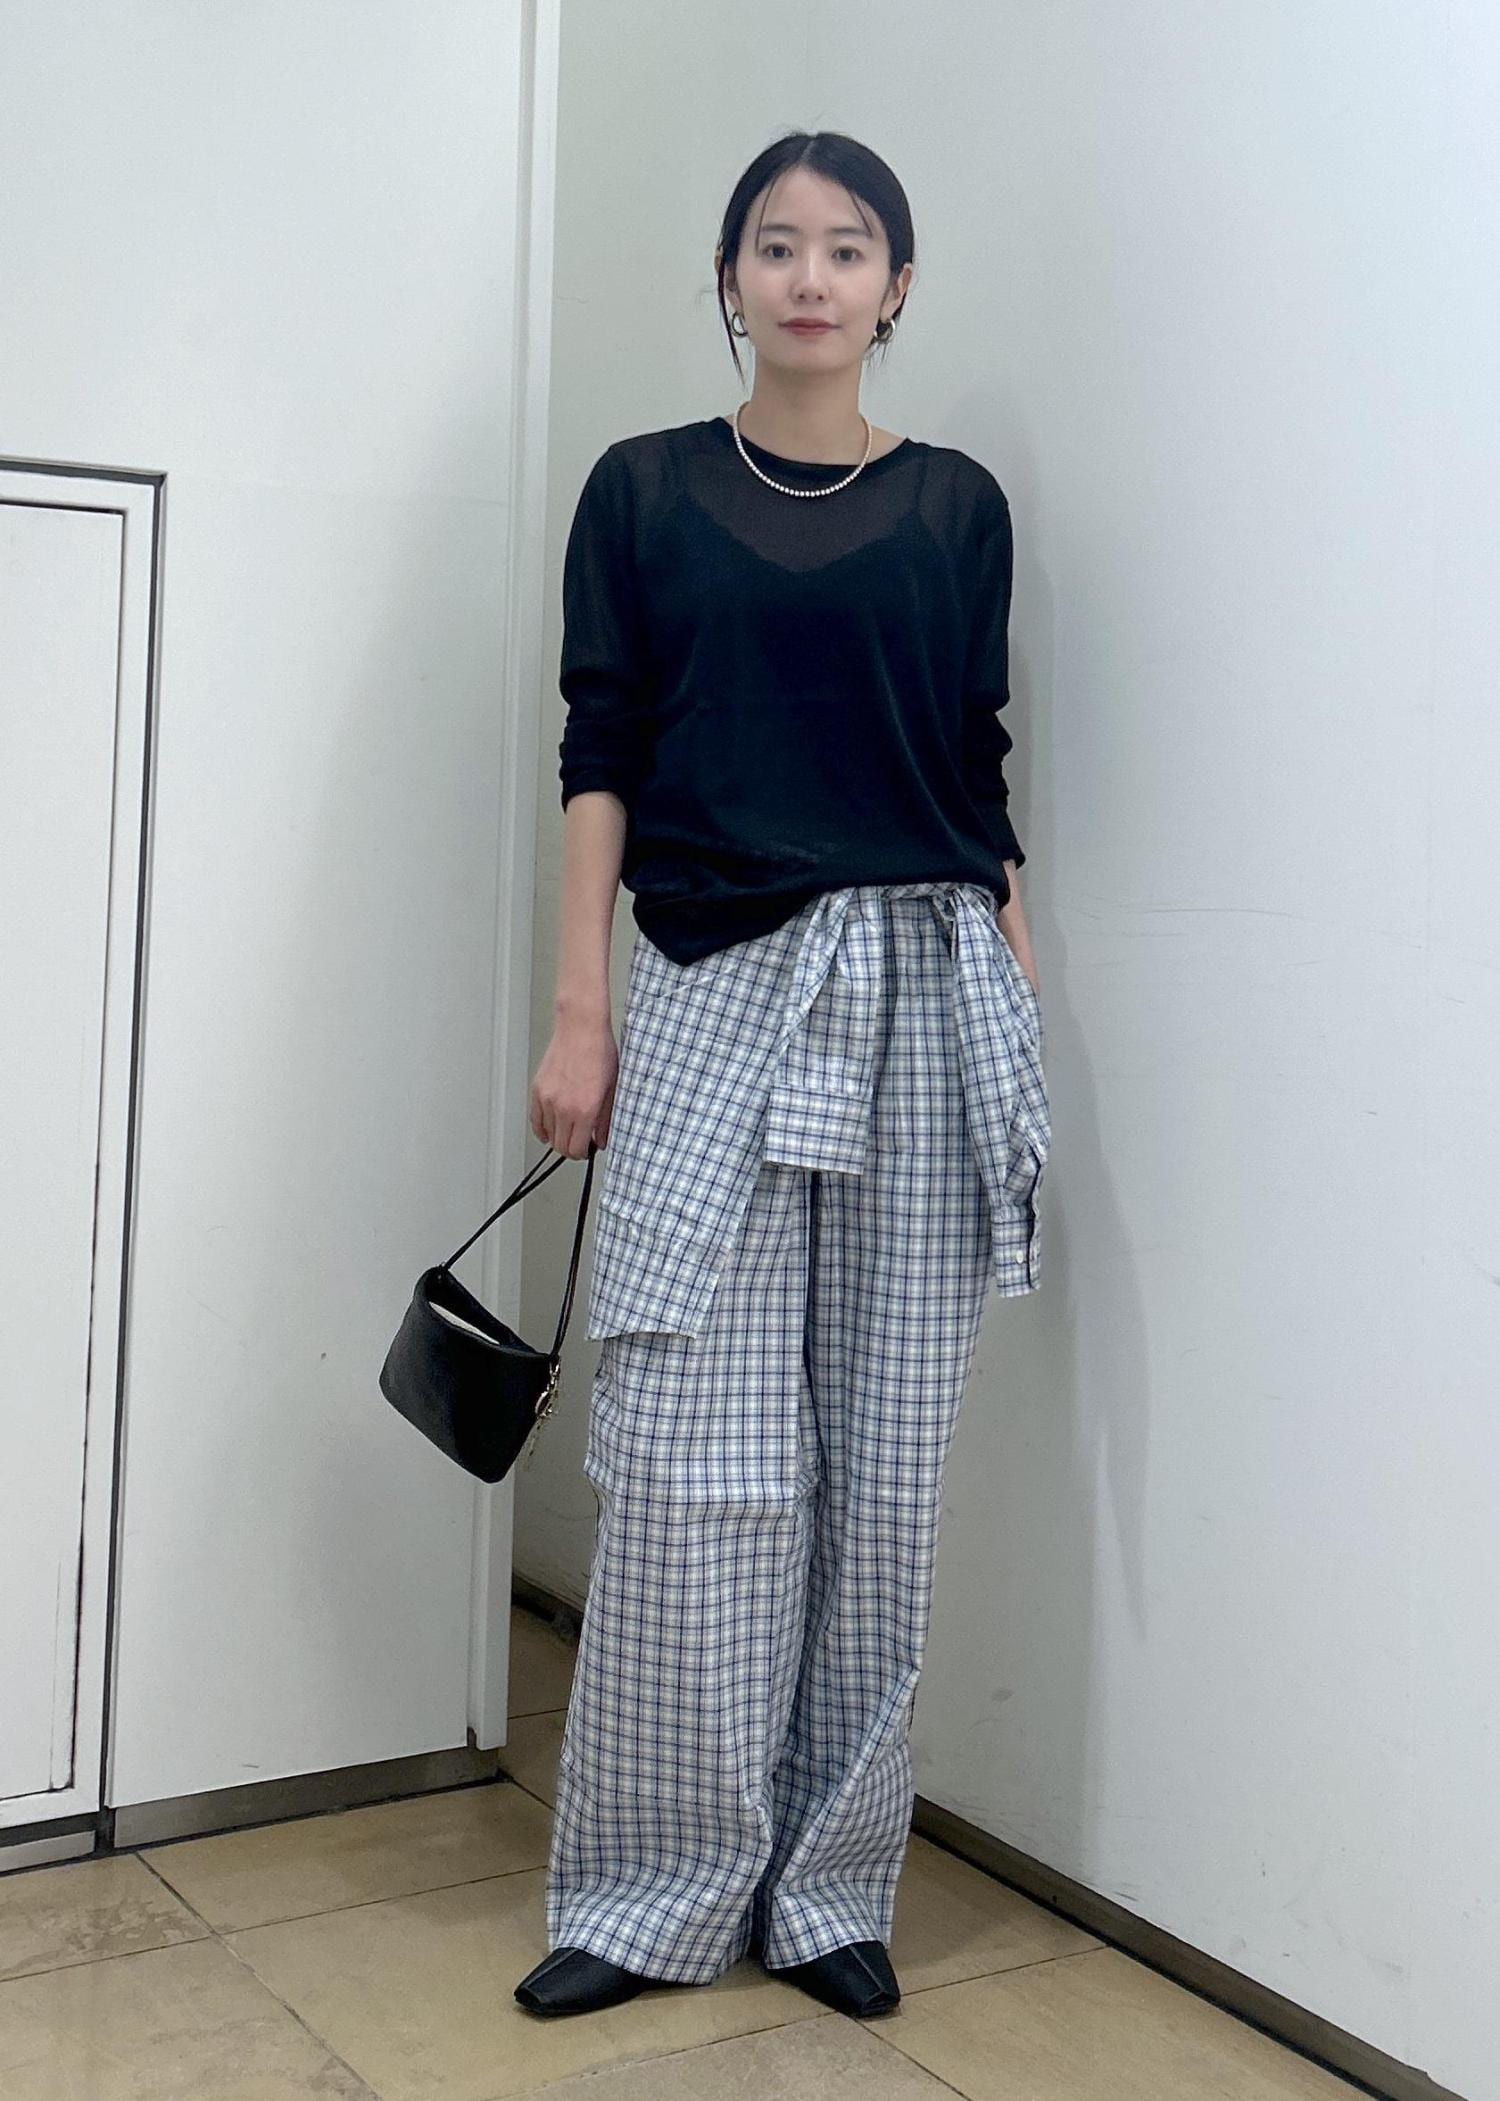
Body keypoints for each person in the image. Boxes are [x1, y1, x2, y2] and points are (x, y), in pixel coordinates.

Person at [515, 129, 1049, 2023]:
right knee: (690, 1455)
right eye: (775, 244)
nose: (810, 277)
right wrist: (580, 1009)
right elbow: (600, 749)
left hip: (923, 986)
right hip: (710, 980)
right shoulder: (644, 489)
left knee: (882, 1470)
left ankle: (830, 1890)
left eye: (847, 247)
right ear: (730, 276)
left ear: (896, 286)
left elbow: (974, 760)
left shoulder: (958, 504)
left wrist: (1015, 981)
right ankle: (653, 1888)